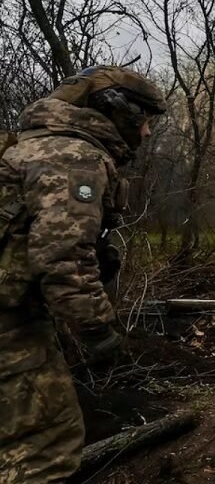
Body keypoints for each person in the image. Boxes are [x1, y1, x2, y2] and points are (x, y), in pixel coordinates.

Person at [0, 66, 166, 482]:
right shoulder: (73, 157)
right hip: (9, 324)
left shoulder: (30, 146)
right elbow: (63, 259)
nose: (147, 132)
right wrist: (100, 333)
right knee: (46, 444)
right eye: (144, 120)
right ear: (119, 111)